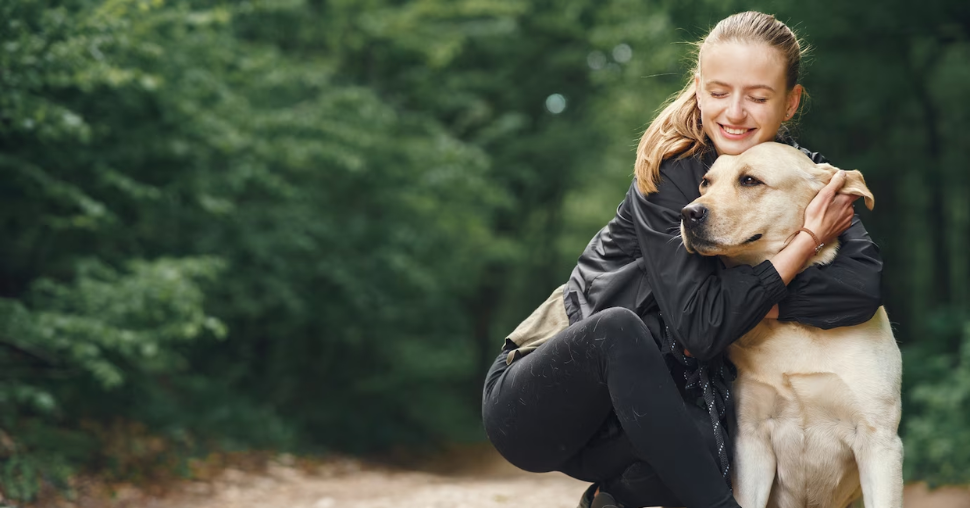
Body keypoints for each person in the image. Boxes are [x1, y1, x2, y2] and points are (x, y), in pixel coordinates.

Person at [481, 11, 882, 508]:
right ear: (698, 90)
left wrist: (761, 304)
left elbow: (861, 289)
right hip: (542, 399)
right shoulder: (672, 173)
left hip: (639, 415)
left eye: (758, 97)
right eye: (719, 92)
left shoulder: (797, 176)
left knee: (729, 442)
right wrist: (806, 241)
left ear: (790, 101)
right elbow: (700, 326)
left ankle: (616, 500)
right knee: (618, 331)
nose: (735, 112)